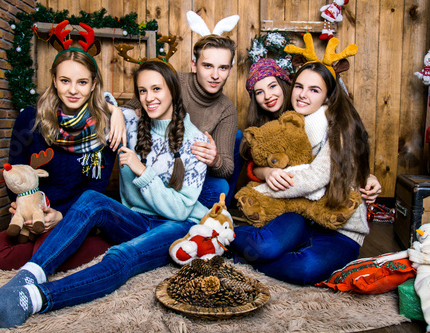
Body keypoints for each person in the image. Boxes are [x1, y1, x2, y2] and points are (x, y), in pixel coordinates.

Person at [0, 60, 210, 330]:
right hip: (136, 220)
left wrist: (141, 171)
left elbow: (179, 211)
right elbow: (91, 96)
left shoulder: (196, 143)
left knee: (120, 256)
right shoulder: (129, 121)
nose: (149, 98)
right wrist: (114, 110)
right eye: (142, 91)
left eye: (157, 89)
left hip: (177, 228)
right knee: (90, 200)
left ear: (173, 90)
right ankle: (22, 281)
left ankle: (27, 300)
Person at [0, 47, 127, 273]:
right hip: (35, 212)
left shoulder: (106, 128)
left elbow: (95, 190)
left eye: (82, 82)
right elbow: (15, 174)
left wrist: (62, 216)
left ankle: (71, 247)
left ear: (94, 84)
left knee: (44, 249)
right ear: (54, 81)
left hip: (78, 215)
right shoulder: (29, 118)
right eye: (65, 80)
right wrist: (25, 208)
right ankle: (55, 253)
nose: (73, 90)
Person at [231, 55, 377, 285]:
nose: (302, 94)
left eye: (314, 90)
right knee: (265, 245)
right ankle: (219, 233)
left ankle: (244, 259)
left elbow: (318, 175)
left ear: (329, 95)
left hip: (340, 228)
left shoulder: (338, 125)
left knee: (305, 268)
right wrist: (265, 173)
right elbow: (265, 160)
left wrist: (262, 191)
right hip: (299, 215)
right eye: (299, 86)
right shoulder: (290, 121)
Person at [124, 34, 242, 208]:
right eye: (207, 66)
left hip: (187, 177)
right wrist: (120, 114)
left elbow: (227, 169)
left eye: (223, 68)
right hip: (154, 161)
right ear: (194, 65)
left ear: (230, 70)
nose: (215, 75)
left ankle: (204, 215)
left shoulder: (226, 110)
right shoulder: (172, 80)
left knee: (220, 186)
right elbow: (129, 109)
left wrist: (214, 160)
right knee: (116, 128)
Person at [242, 58, 381, 204]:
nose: (268, 96)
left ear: (285, 85)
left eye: (272, 86)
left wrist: (367, 177)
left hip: (320, 199)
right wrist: (267, 172)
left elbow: (335, 160)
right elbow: (256, 162)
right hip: (290, 198)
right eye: (259, 92)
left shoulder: (323, 120)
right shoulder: (267, 122)